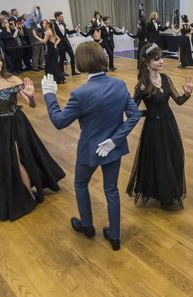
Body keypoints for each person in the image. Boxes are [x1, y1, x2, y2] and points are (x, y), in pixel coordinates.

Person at [42, 41, 141, 251]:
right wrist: (115, 140)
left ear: (80, 63)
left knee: (80, 184)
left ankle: (87, 226)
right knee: (111, 190)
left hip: (89, 149)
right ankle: (114, 237)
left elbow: (59, 122)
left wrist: (49, 95)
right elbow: (134, 116)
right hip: (113, 148)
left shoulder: (80, 93)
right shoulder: (119, 84)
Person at [0, 48, 65, 221]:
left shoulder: (13, 79)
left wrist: (31, 96)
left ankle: (28, 195)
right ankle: (22, 193)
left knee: (17, 157)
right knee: (4, 161)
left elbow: (32, 105)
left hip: (16, 122)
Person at [127, 43, 193, 210]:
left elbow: (178, 100)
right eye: (157, 59)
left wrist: (187, 93)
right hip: (154, 128)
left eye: (161, 58)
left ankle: (171, 191)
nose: (161, 61)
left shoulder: (165, 78)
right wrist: (147, 113)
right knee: (160, 160)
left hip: (169, 124)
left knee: (175, 156)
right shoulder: (143, 85)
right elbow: (131, 111)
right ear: (147, 62)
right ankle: (163, 195)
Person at [36, 19, 65, 84]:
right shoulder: (52, 30)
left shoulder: (47, 32)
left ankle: (54, 79)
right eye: (42, 23)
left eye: (44, 23)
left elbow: (44, 41)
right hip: (54, 49)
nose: (43, 25)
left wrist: (36, 36)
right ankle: (59, 78)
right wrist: (55, 44)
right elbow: (59, 39)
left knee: (50, 64)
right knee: (54, 64)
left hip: (51, 50)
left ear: (48, 24)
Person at [53, 11, 80, 77]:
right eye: (61, 16)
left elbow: (68, 32)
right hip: (60, 43)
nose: (63, 17)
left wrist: (75, 30)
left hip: (66, 43)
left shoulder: (64, 24)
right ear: (57, 17)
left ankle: (73, 71)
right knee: (62, 58)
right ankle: (62, 72)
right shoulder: (53, 24)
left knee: (72, 56)